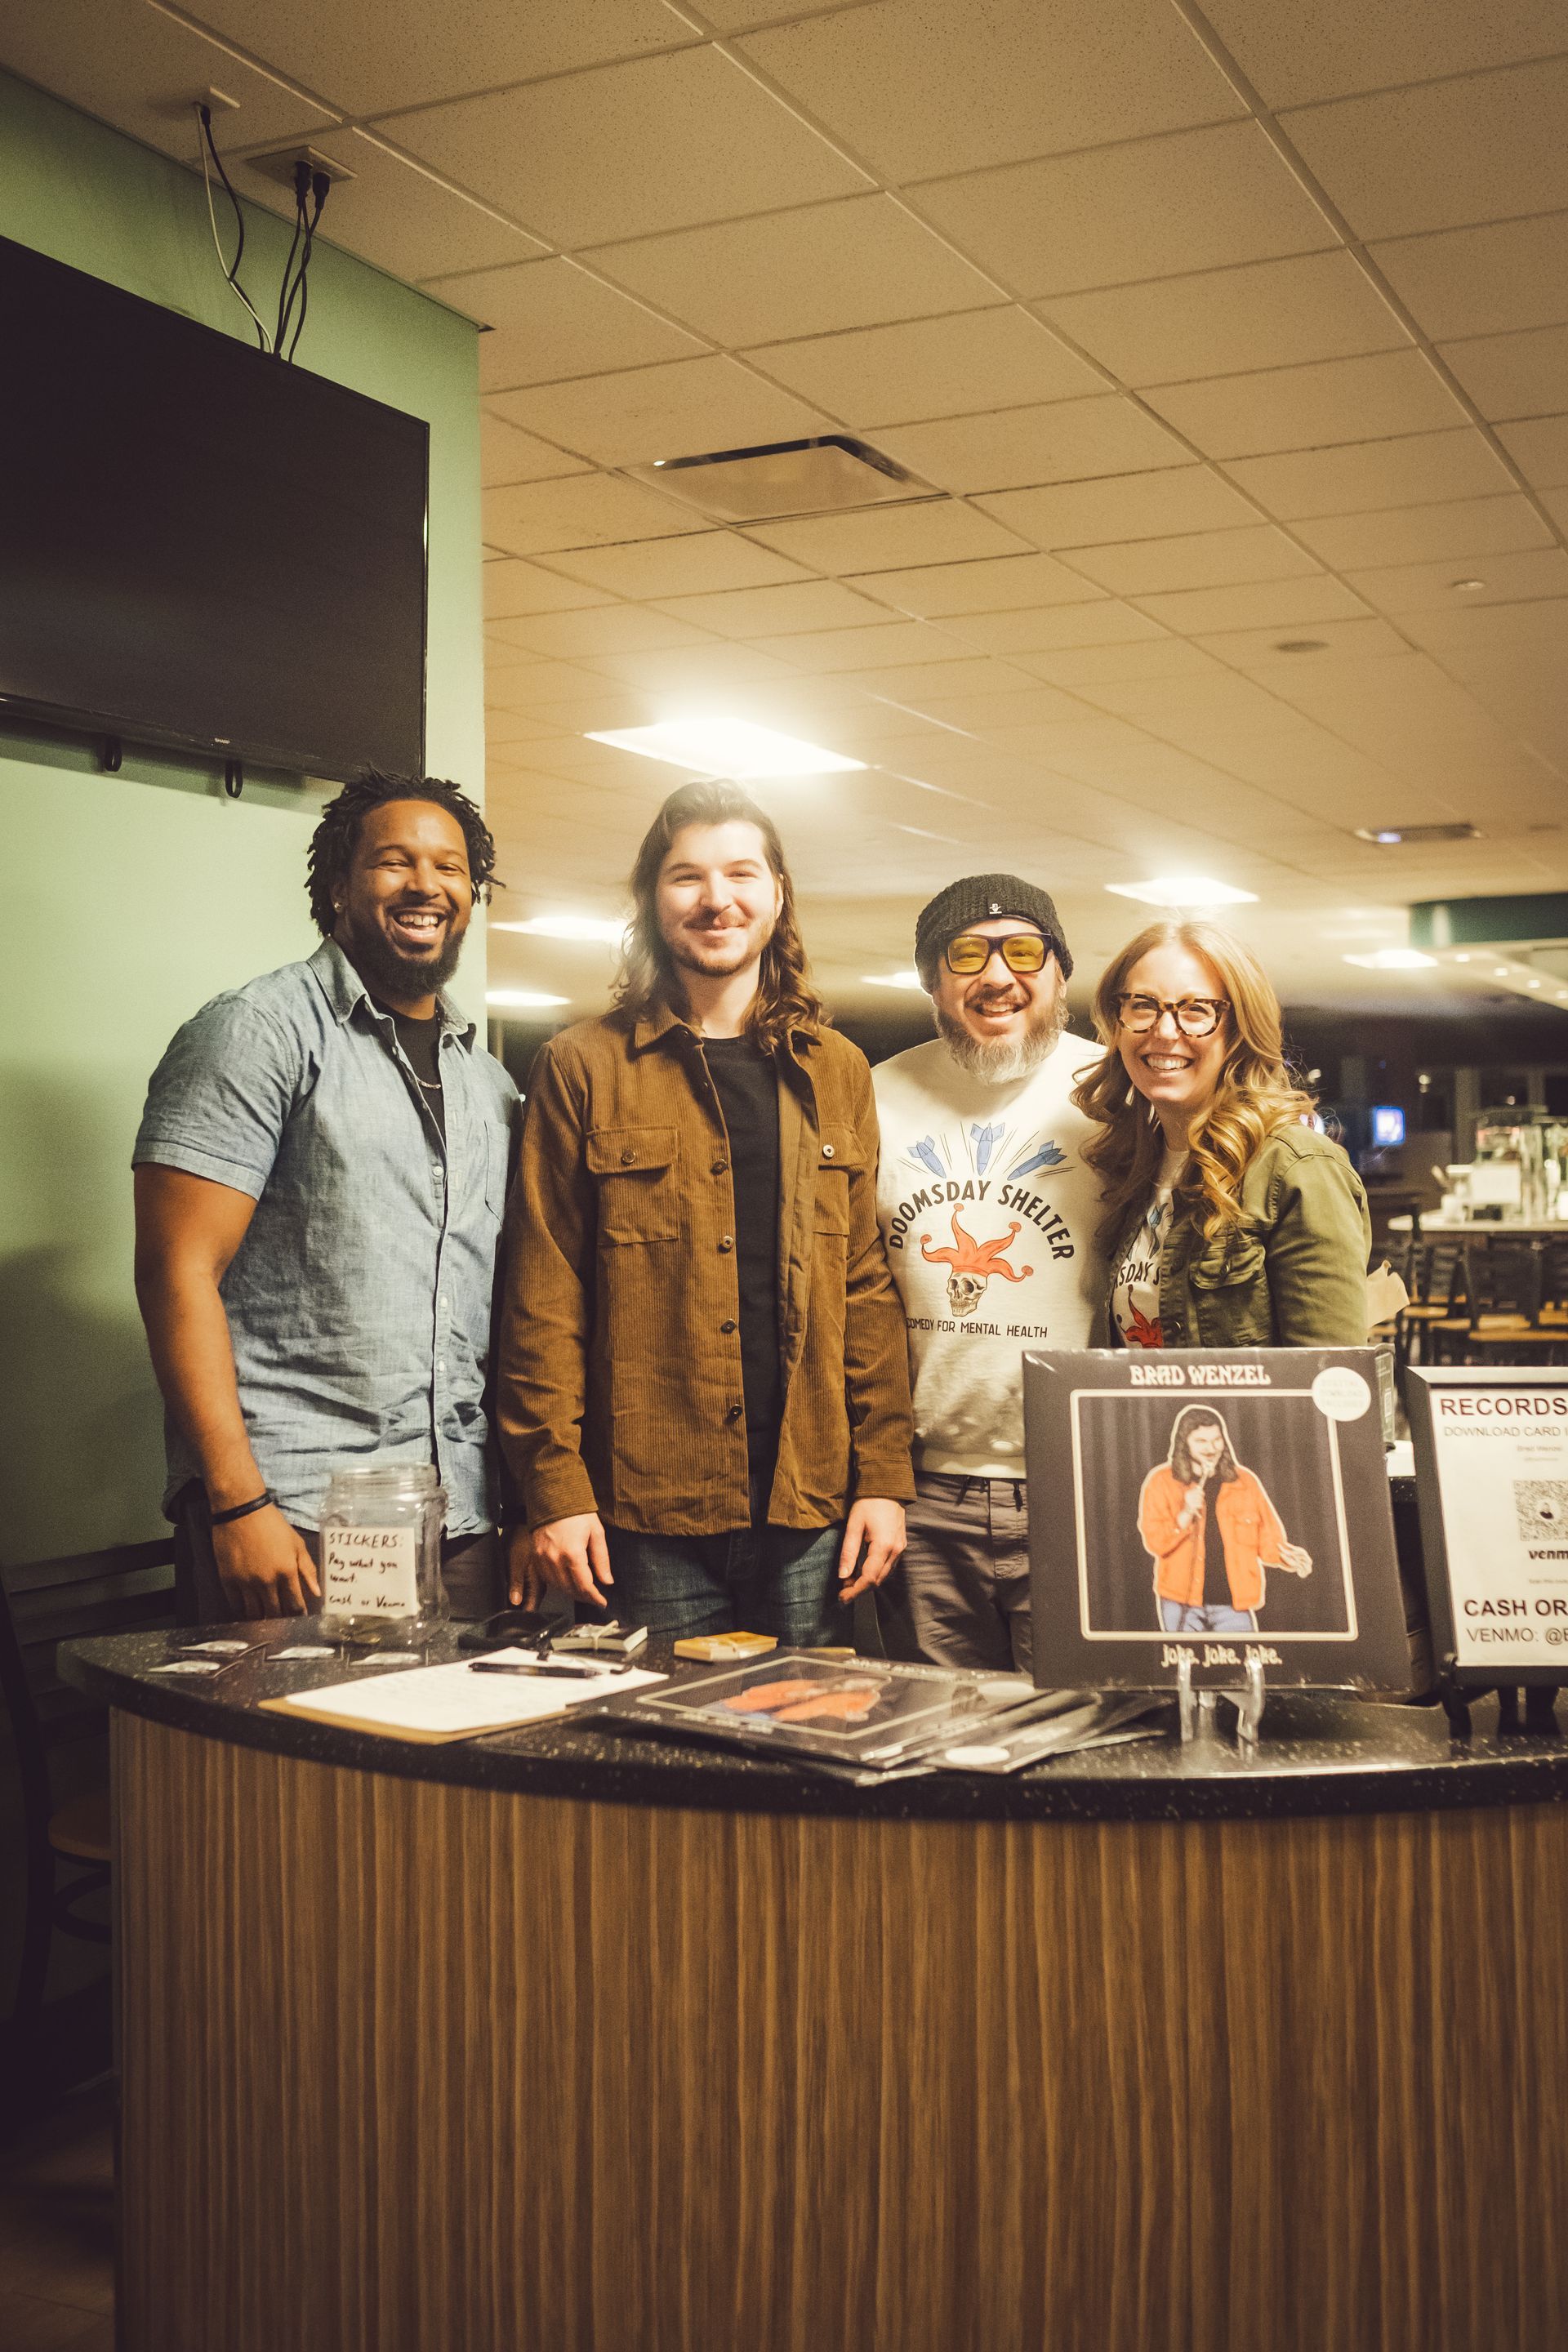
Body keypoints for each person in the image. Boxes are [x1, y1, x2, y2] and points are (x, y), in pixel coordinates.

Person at [497, 780, 913, 1644]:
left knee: (811, 1755)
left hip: (812, 1505)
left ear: (777, 896)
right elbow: (544, 1294)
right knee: (666, 1769)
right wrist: (556, 1492)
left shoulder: (837, 1070)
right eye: (687, 876)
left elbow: (864, 1291)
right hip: (646, 1517)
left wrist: (883, 1477)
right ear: (654, 899)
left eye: (741, 874)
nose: (716, 899)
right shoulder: (583, 1066)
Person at [133, 771, 520, 1622]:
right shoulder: (258, 1032)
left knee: (433, 1752)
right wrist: (238, 1504)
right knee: (290, 1758)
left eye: (451, 868)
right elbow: (175, 1271)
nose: (427, 885)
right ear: (339, 887)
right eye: (395, 862)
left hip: (455, 1517)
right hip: (295, 1512)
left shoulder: (488, 1083)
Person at [871, 875, 1106, 1673]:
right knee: (942, 1746)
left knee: (1079, 1735)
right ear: (933, 980)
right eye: (965, 954)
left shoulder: (1118, 1093)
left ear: (1059, 974)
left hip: (1078, 1485)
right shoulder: (876, 1096)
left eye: (1023, 952)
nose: (997, 976)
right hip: (924, 1494)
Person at [1073, 920, 1370, 1349]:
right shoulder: (1137, 1165)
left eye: (1196, 1010)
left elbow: (1328, 1382)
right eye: (1143, 1005)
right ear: (1118, 1021)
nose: (1165, 1031)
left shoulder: (1299, 1167)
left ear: (1239, 1029)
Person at [1138, 1405, 1311, 1635]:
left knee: (1241, 1667)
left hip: (1234, 1605)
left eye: (1216, 1440)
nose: (1211, 1448)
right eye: (1201, 1441)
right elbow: (1155, 1542)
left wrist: (1287, 1557)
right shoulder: (1161, 1481)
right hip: (1180, 1603)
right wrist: (1186, 1512)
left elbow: (1268, 1537)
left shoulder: (1245, 1481)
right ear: (1184, 1443)